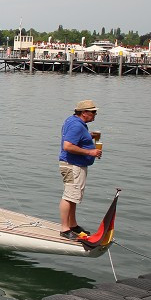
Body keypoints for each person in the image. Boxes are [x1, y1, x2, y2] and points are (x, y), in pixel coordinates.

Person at [58, 99, 103, 239]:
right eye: (93, 112)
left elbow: (74, 138)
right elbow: (68, 145)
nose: (95, 115)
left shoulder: (73, 121)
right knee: (69, 196)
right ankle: (65, 229)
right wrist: (91, 152)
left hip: (74, 165)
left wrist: (88, 137)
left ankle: (73, 224)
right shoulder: (77, 126)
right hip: (73, 165)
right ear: (84, 113)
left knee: (74, 196)